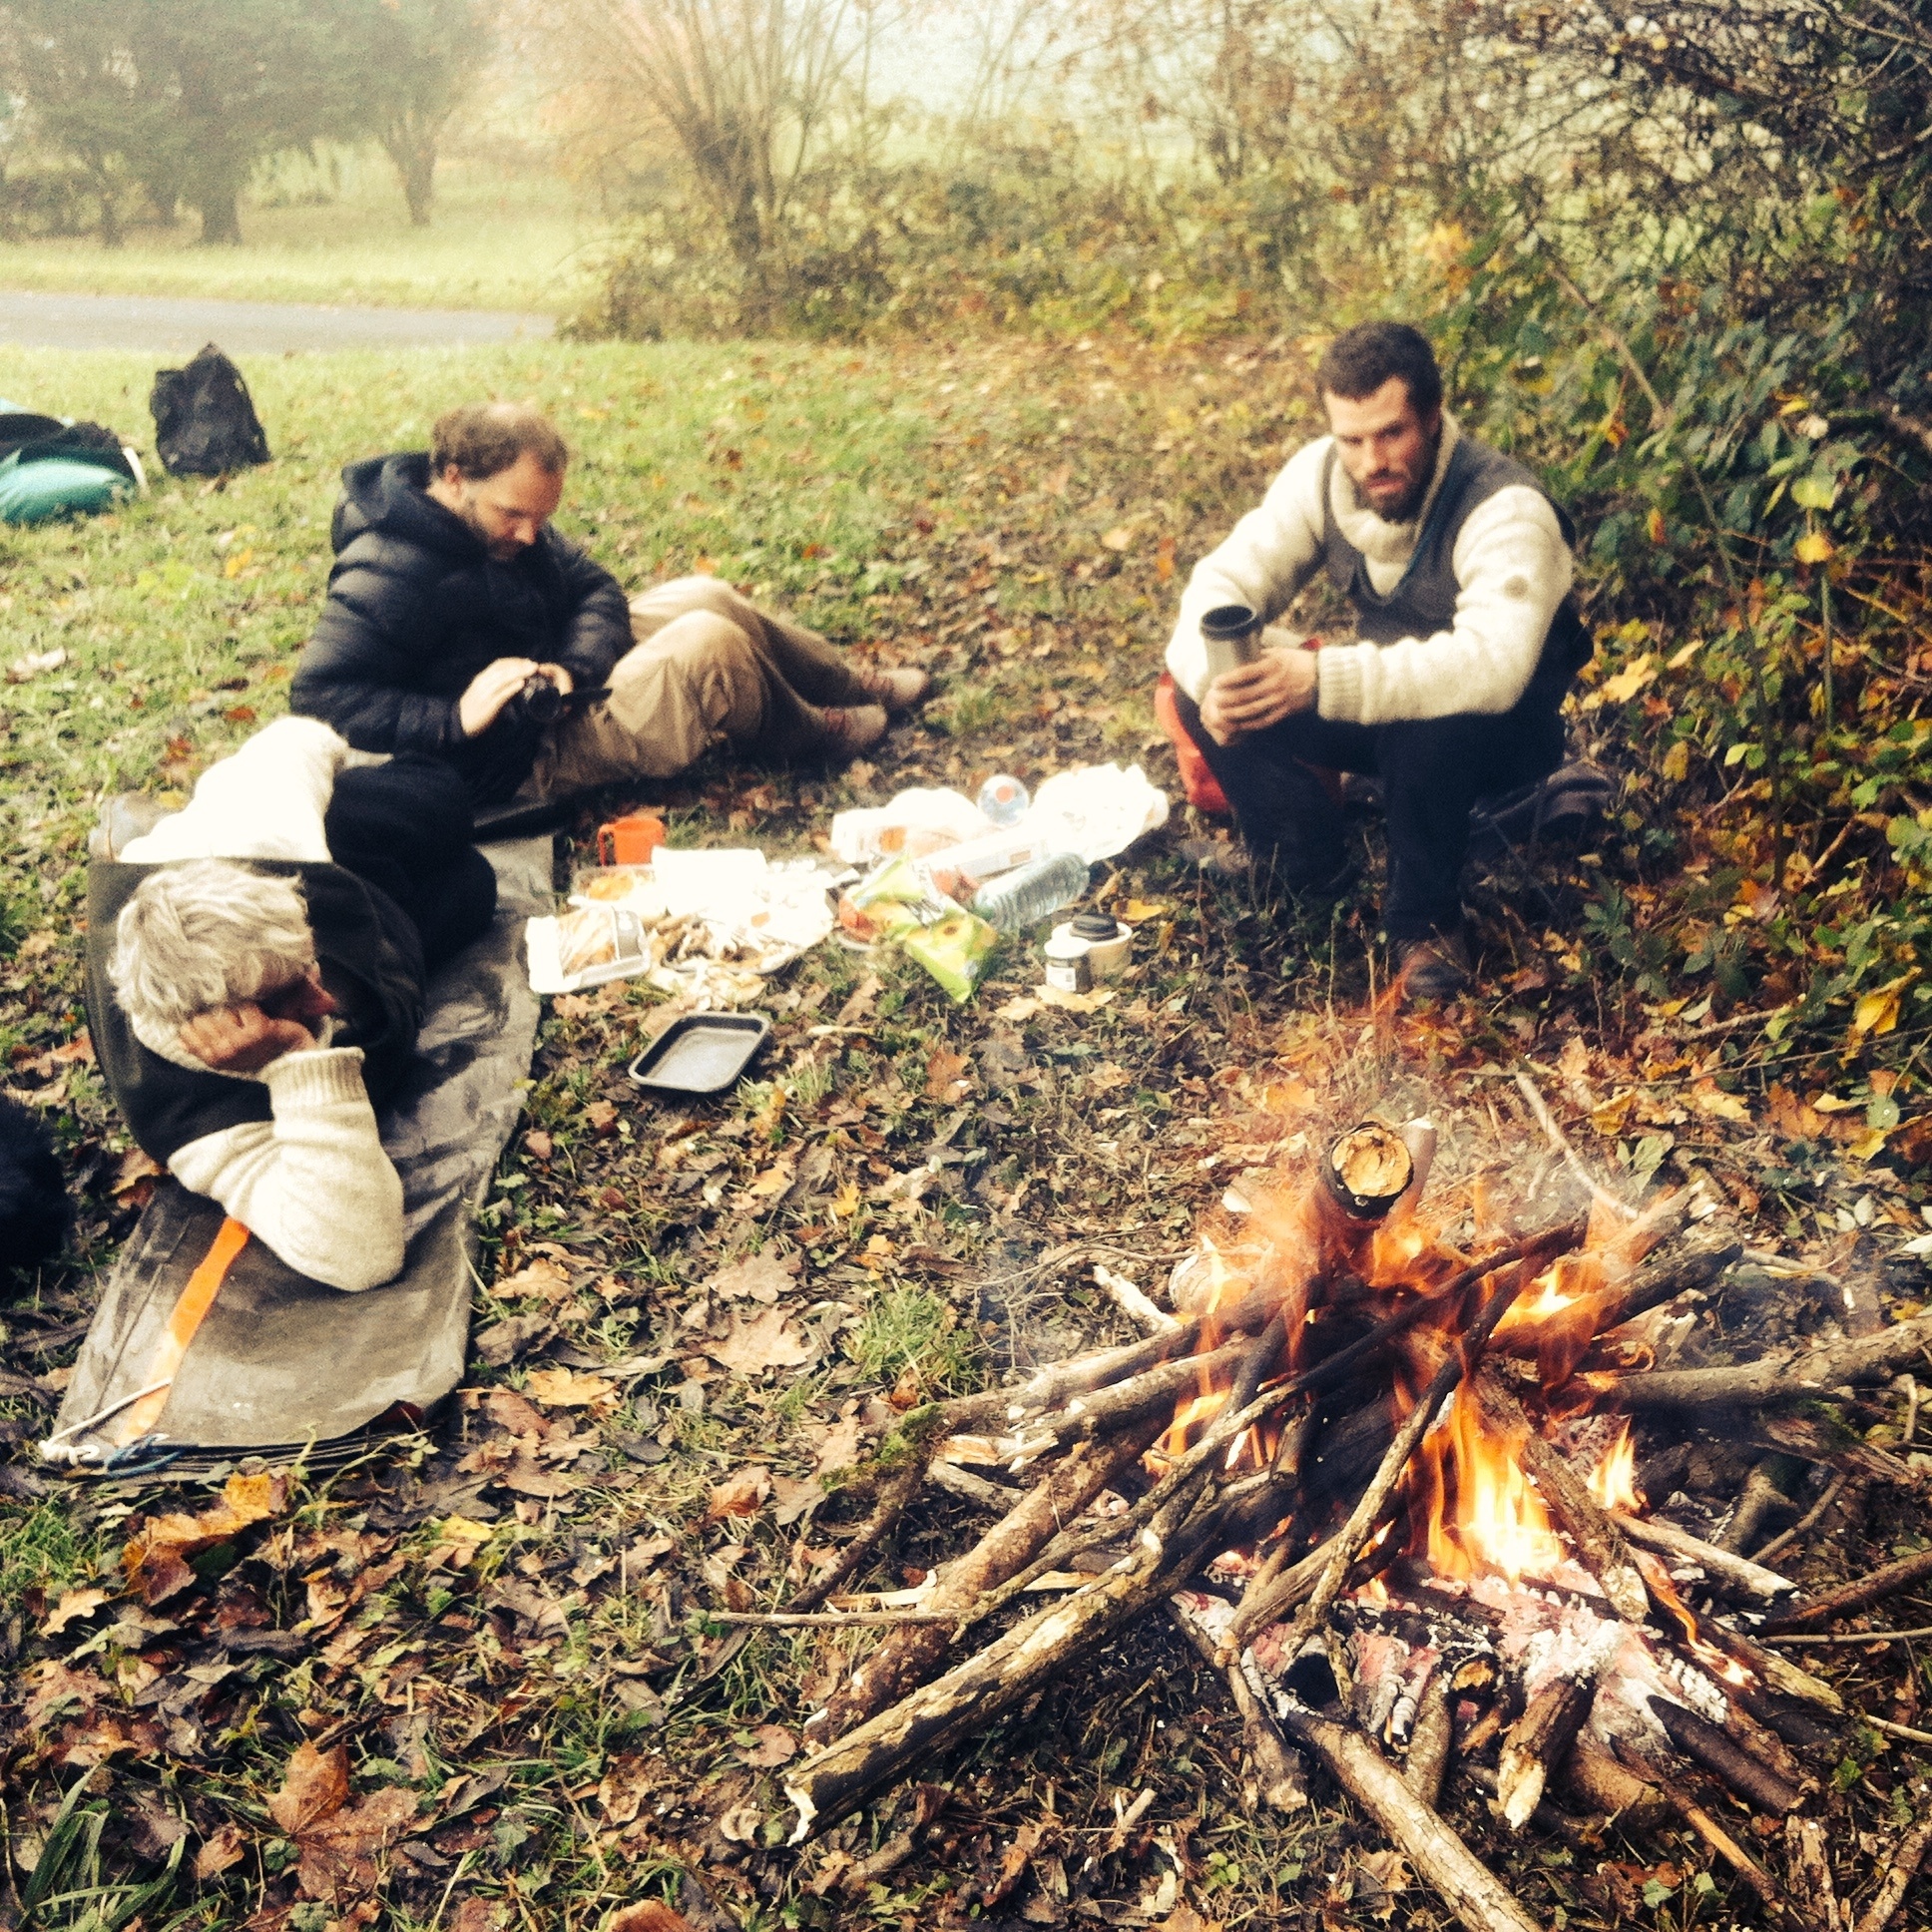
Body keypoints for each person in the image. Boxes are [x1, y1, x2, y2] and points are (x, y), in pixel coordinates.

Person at [1166, 321, 1592, 999]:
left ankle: (1425, 922)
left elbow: (1494, 666)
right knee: (1214, 677)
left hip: (1499, 733)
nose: (1371, 461)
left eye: (1391, 433)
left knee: (1434, 717)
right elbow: (1221, 585)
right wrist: (1215, 681)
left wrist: (1321, 679)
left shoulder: (1505, 508)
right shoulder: (1321, 476)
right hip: (1384, 701)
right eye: (1352, 439)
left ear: (1431, 414)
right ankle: (1301, 868)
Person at [289, 402, 928, 808]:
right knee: (707, 642)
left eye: (542, 517)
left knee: (704, 595)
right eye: (512, 514)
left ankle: (846, 683)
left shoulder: (509, 525)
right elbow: (321, 695)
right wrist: (454, 717)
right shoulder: (388, 571)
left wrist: (573, 667)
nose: (530, 535)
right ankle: (815, 735)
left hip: (554, 686)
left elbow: (595, 588)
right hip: (513, 757)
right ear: (453, 477)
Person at [85, 718, 497, 1292]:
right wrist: (298, 1063)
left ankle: (150, 833)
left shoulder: (245, 844)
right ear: (218, 1022)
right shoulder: (194, 1119)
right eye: (288, 999)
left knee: (444, 798)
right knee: (476, 886)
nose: (323, 997)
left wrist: (348, 761)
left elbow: (295, 738)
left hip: (341, 855)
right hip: (394, 932)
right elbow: (360, 1258)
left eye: (307, 971)